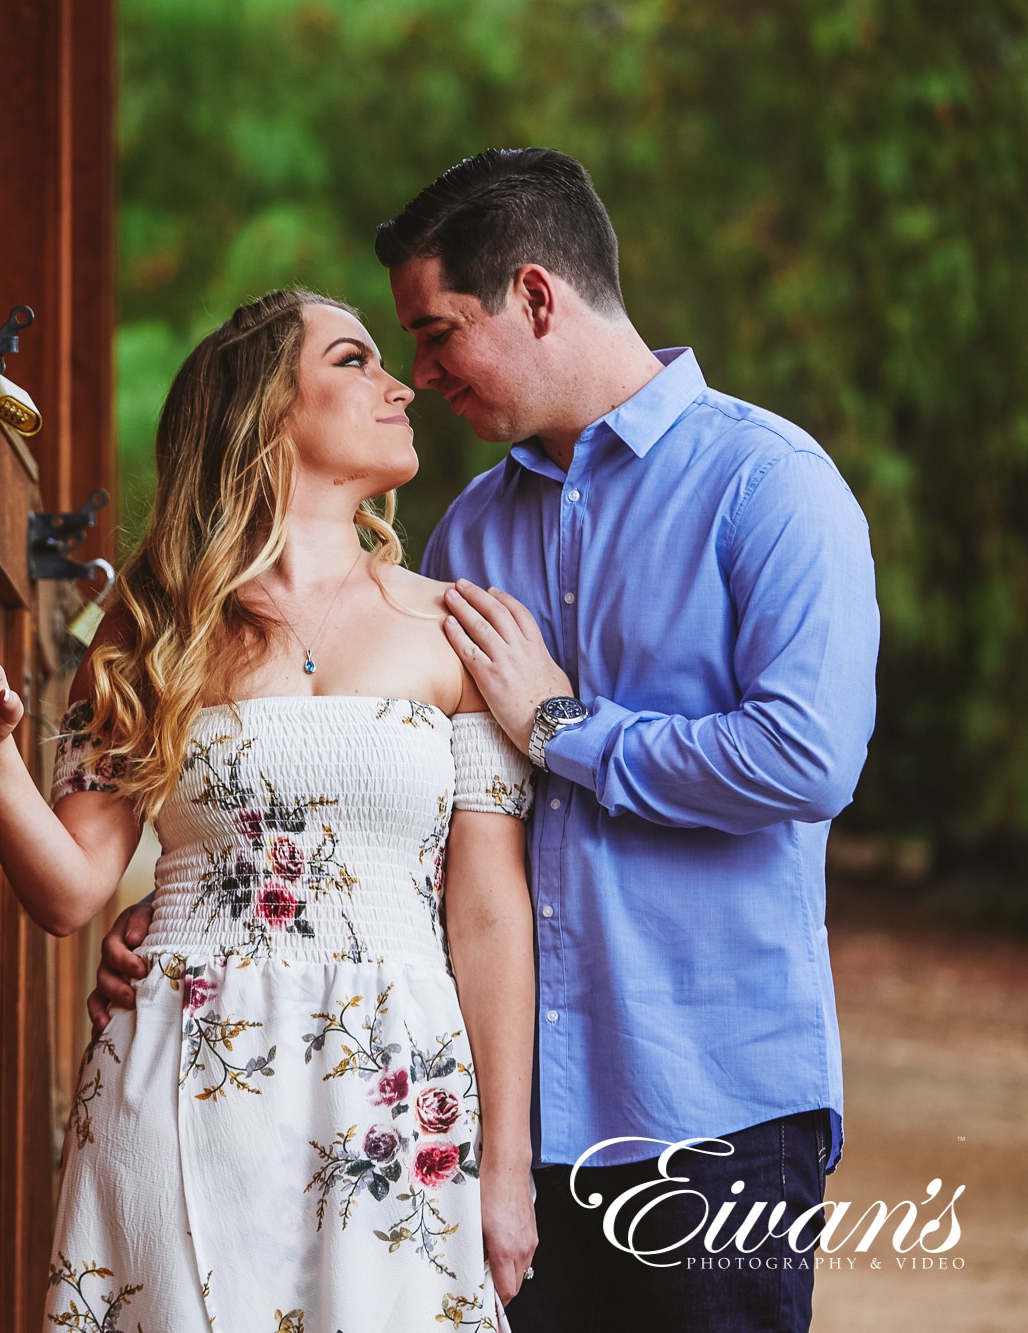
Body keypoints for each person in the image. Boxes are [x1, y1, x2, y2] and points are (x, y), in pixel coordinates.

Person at [91, 150, 880, 1333]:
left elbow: (805, 758)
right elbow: (394, 791)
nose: (418, 374)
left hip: (710, 1101)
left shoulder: (764, 485)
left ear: (536, 296)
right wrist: (221, 893)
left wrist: (562, 728)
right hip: (485, 1117)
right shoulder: (464, 533)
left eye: (436, 331)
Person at [0, 287, 539, 1332]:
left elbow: (487, 911)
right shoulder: (148, 626)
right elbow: (70, 889)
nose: (397, 382)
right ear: (270, 406)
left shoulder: (455, 629)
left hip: (395, 1090)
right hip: (183, 1071)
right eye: (355, 359)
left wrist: (504, 1166)